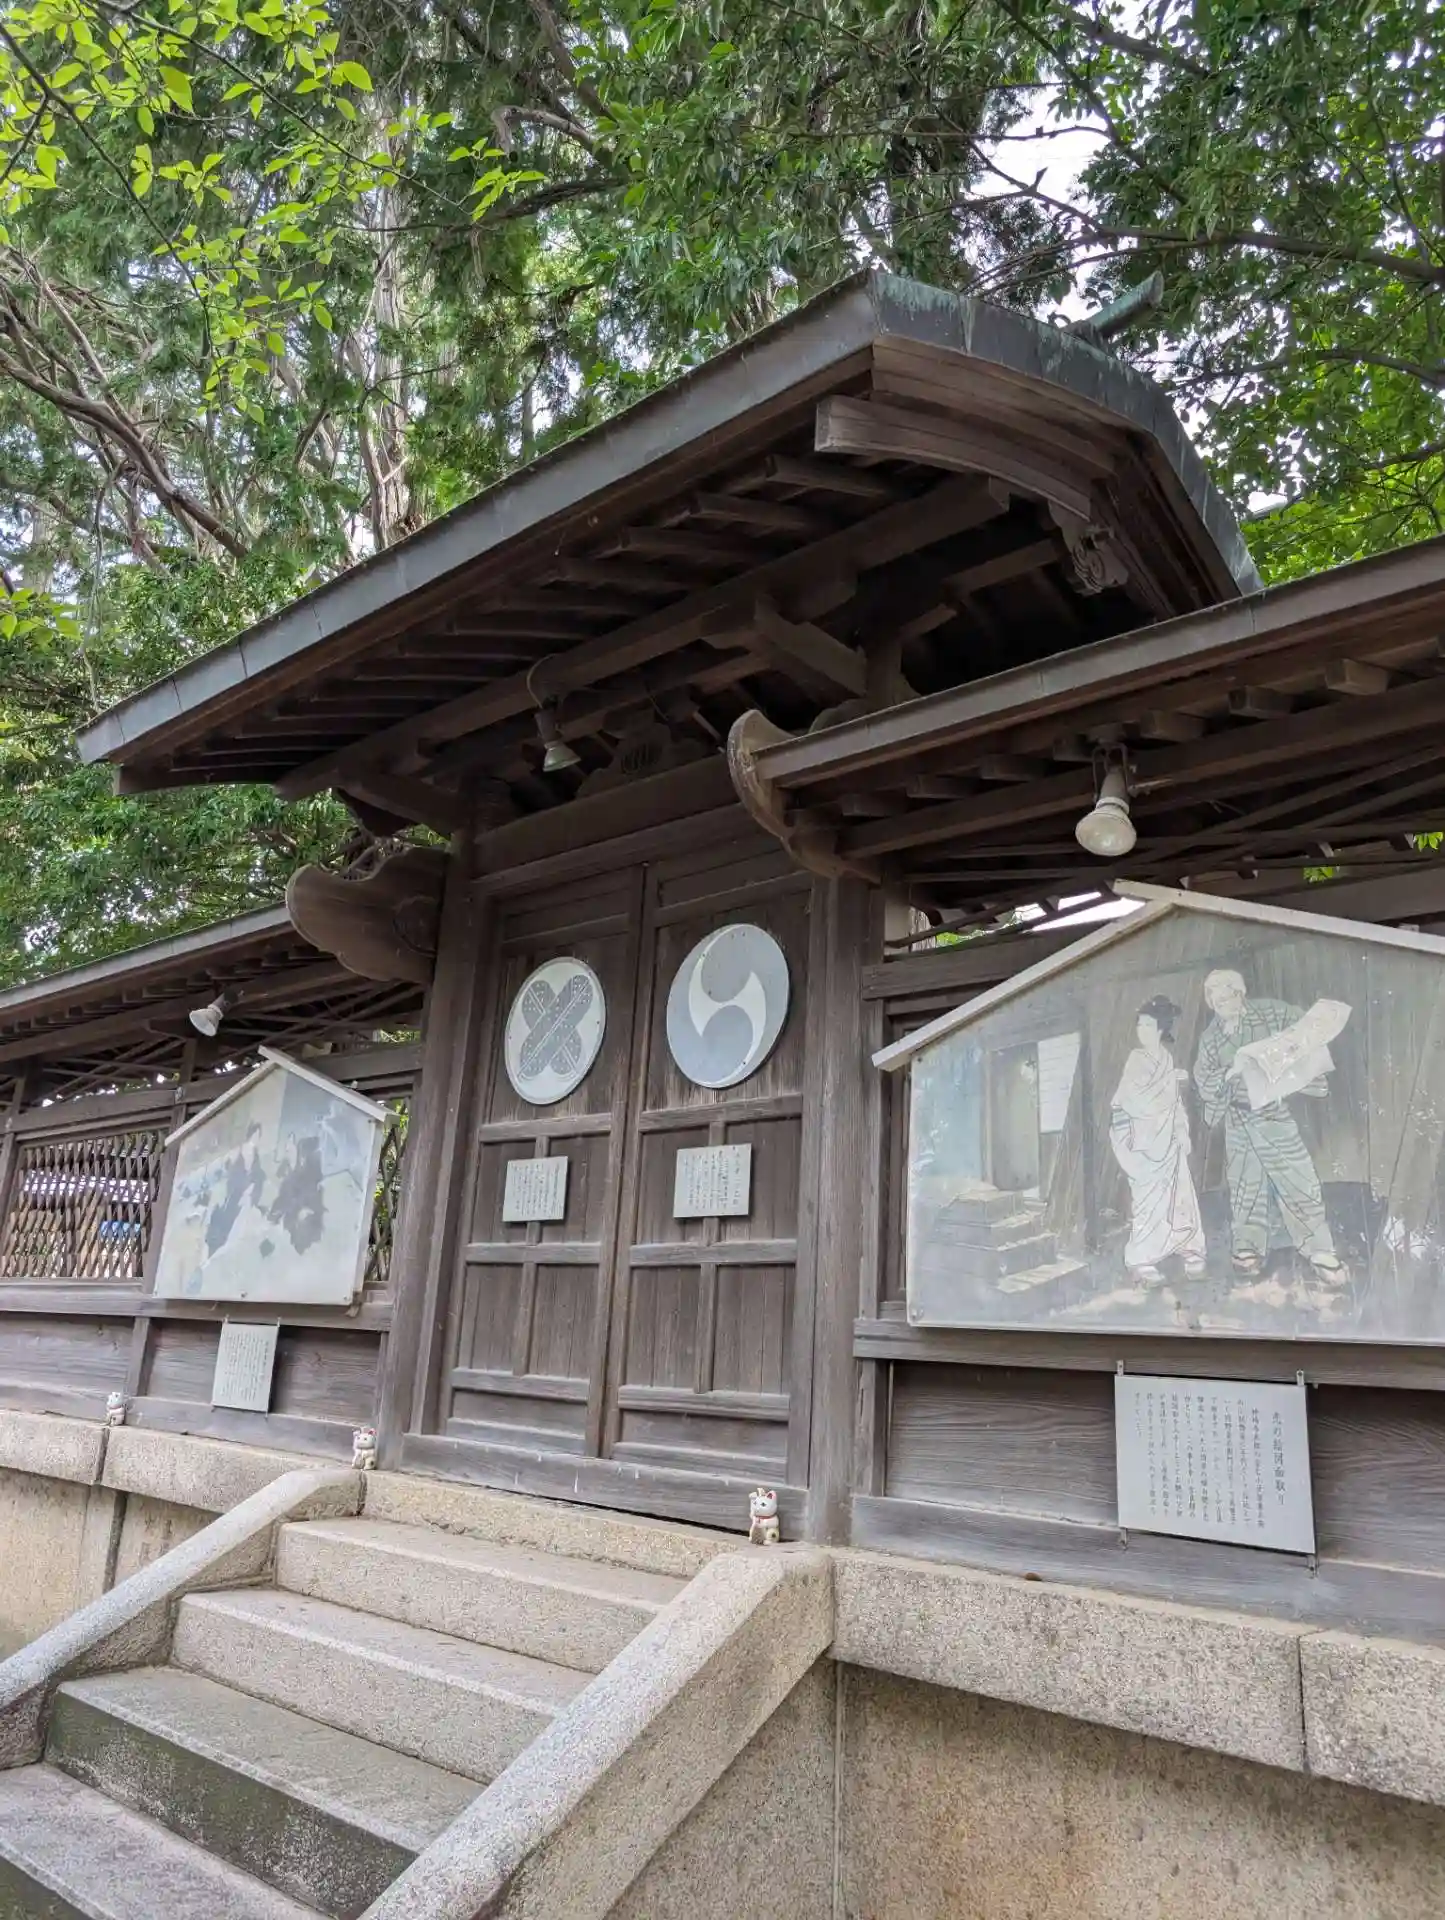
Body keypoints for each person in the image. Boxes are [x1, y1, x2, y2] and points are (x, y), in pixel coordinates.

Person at [1192, 969, 1343, 1280]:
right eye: (1217, 1002)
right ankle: (1248, 1248)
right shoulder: (1210, 1038)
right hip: (1238, 1117)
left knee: (1297, 1176)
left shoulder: (1270, 1012)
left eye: (1228, 997)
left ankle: (1320, 1249)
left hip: (1272, 1111)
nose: (1224, 1005)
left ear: (1240, 993)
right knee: (1245, 1184)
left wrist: (1278, 1059)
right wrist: (1229, 1074)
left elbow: (1305, 1031)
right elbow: (1204, 1080)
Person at [1109, 996, 1206, 1283]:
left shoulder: (1166, 1058)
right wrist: (1170, 1080)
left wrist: (1182, 1131)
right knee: (1148, 1202)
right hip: (1142, 1139)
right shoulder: (1136, 1059)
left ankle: (1188, 1247)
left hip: (1168, 1139)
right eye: (1140, 1025)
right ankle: (1142, 1260)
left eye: (1149, 1025)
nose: (1142, 1031)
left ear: (1161, 1029)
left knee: (1180, 1197)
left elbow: (1174, 1103)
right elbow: (1134, 1099)